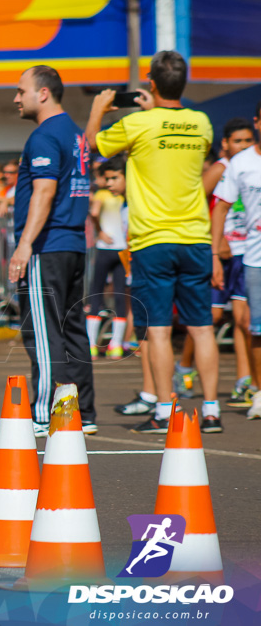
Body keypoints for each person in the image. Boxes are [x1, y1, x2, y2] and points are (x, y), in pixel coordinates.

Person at [87, 50, 222, 434]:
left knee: (158, 331)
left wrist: (100, 106)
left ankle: (165, 410)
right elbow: (173, 133)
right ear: (183, 83)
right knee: (201, 328)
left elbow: (92, 144)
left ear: (150, 83)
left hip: (153, 240)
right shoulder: (202, 123)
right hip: (195, 237)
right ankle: (210, 411)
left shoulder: (138, 124)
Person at [8, 65, 96, 436]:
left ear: (43, 93)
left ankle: (45, 414)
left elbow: (44, 192)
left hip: (48, 245)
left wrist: (24, 245)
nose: (15, 98)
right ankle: (83, 413)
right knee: (74, 329)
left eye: (20, 91)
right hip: (74, 243)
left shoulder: (44, 136)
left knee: (43, 332)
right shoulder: (75, 134)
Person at [211, 103, 261, 420]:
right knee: (255, 329)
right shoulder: (240, 163)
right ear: (258, 121)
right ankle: (258, 390)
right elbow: (219, 208)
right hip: (254, 260)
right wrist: (215, 252)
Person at [86, 155, 130, 359]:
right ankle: (116, 345)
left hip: (106, 247)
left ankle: (91, 345)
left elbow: (94, 213)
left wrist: (99, 231)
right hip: (122, 249)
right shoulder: (126, 196)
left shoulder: (102, 194)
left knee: (96, 293)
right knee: (121, 297)